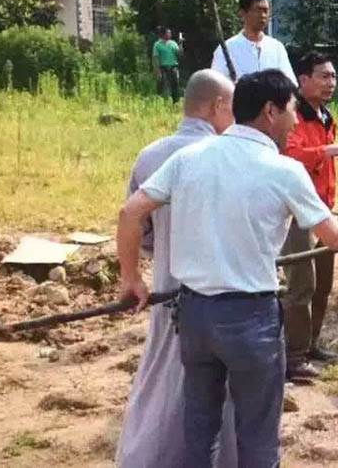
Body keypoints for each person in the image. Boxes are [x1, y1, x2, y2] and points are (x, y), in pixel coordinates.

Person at [117, 69, 338, 468]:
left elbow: (131, 211)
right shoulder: (283, 170)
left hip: (195, 316)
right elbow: (333, 237)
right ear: (270, 111)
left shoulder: (188, 158)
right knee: (257, 435)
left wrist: (130, 278)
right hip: (249, 318)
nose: (295, 120)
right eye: (292, 110)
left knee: (199, 430)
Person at [116, 69, 237, 468]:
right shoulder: (227, 156)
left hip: (167, 288)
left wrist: (132, 276)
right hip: (222, 296)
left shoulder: (150, 155)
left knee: (162, 377)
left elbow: (138, 226)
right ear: (218, 106)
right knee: (221, 386)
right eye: (233, 108)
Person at [281, 53, 338, 382]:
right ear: (303, 80)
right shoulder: (292, 117)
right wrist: (330, 151)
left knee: (323, 284)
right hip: (298, 213)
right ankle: (292, 356)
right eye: (323, 76)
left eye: (333, 77)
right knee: (301, 284)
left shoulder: (326, 116)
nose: (331, 83)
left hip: (323, 209)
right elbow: (290, 158)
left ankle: (311, 343)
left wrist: (334, 153)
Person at [211, 0, 296, 85]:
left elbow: (290, 84)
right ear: (243, 13)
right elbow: (217, 88)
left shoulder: (277, 48)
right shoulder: (227, 49)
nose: (263, 15)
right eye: (258, 10)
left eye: (265, 11)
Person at [153, 27, 182, 103]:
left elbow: (179, 54)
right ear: (163, 34)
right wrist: (158, 71)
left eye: (170, 33)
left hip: (173, 67)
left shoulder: (173, 43)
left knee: (175, 85)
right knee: (161, 84)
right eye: (168, 33)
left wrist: (180, 44)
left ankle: (176, 101)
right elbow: (156, 58)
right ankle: (159, 101)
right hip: (163, 67)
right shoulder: (157, 44)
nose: (170, 34)